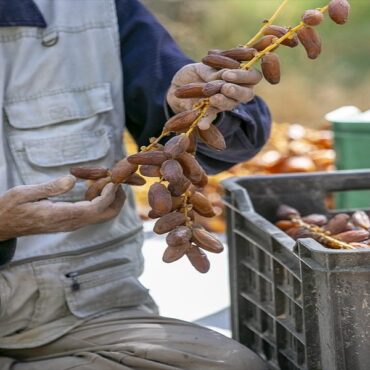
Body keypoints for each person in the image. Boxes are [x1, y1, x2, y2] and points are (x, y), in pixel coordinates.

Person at [0, 0, 270, 369]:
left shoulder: (94, 8)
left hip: (77, 318)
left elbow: (200, 132)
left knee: (232, 364)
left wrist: (192, 109)